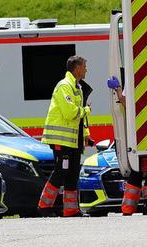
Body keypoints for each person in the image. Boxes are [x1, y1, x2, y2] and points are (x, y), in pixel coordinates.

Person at [37, 56, 92, 217]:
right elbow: (70, 113)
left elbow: (80, 117)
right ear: (77, 68)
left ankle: (70, 209)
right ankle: (44, 206)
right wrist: (86, 110)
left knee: (73, 172)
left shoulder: (77, 87)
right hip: (61, 139)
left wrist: (86, 134)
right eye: (84, 66)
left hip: (73, 140)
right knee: (61, 170)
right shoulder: (64, 86)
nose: (86, 69)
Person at [107, 75, 147, 215]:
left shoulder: (134, 72)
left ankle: (128, 208)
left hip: (141, 130)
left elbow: (125, 101)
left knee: (138, 170)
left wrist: (118, 89)